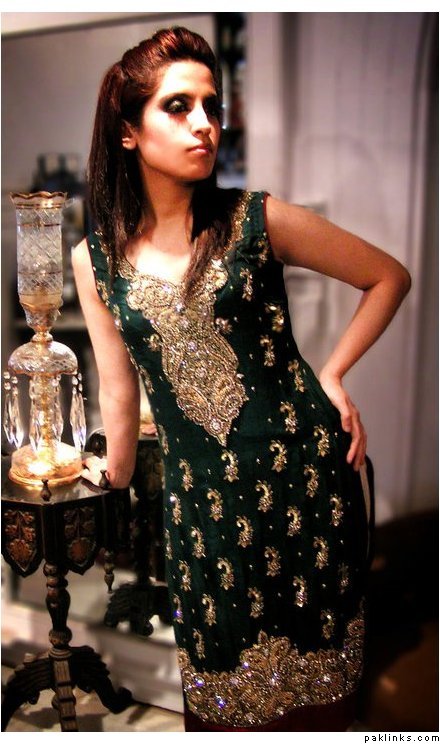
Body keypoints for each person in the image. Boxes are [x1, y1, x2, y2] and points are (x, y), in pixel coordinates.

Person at [72, 26, 411, 732]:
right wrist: (110, 477)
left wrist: (333, 372)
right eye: (177, 106)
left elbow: (387, 276)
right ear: (127, 131)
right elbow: (119, 388)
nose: (204, 123)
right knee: (222, 703)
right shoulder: (94, 258)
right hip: (204, 512)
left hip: (306, 484)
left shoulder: (257, 220)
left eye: (212, 105)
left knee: (321, 702)